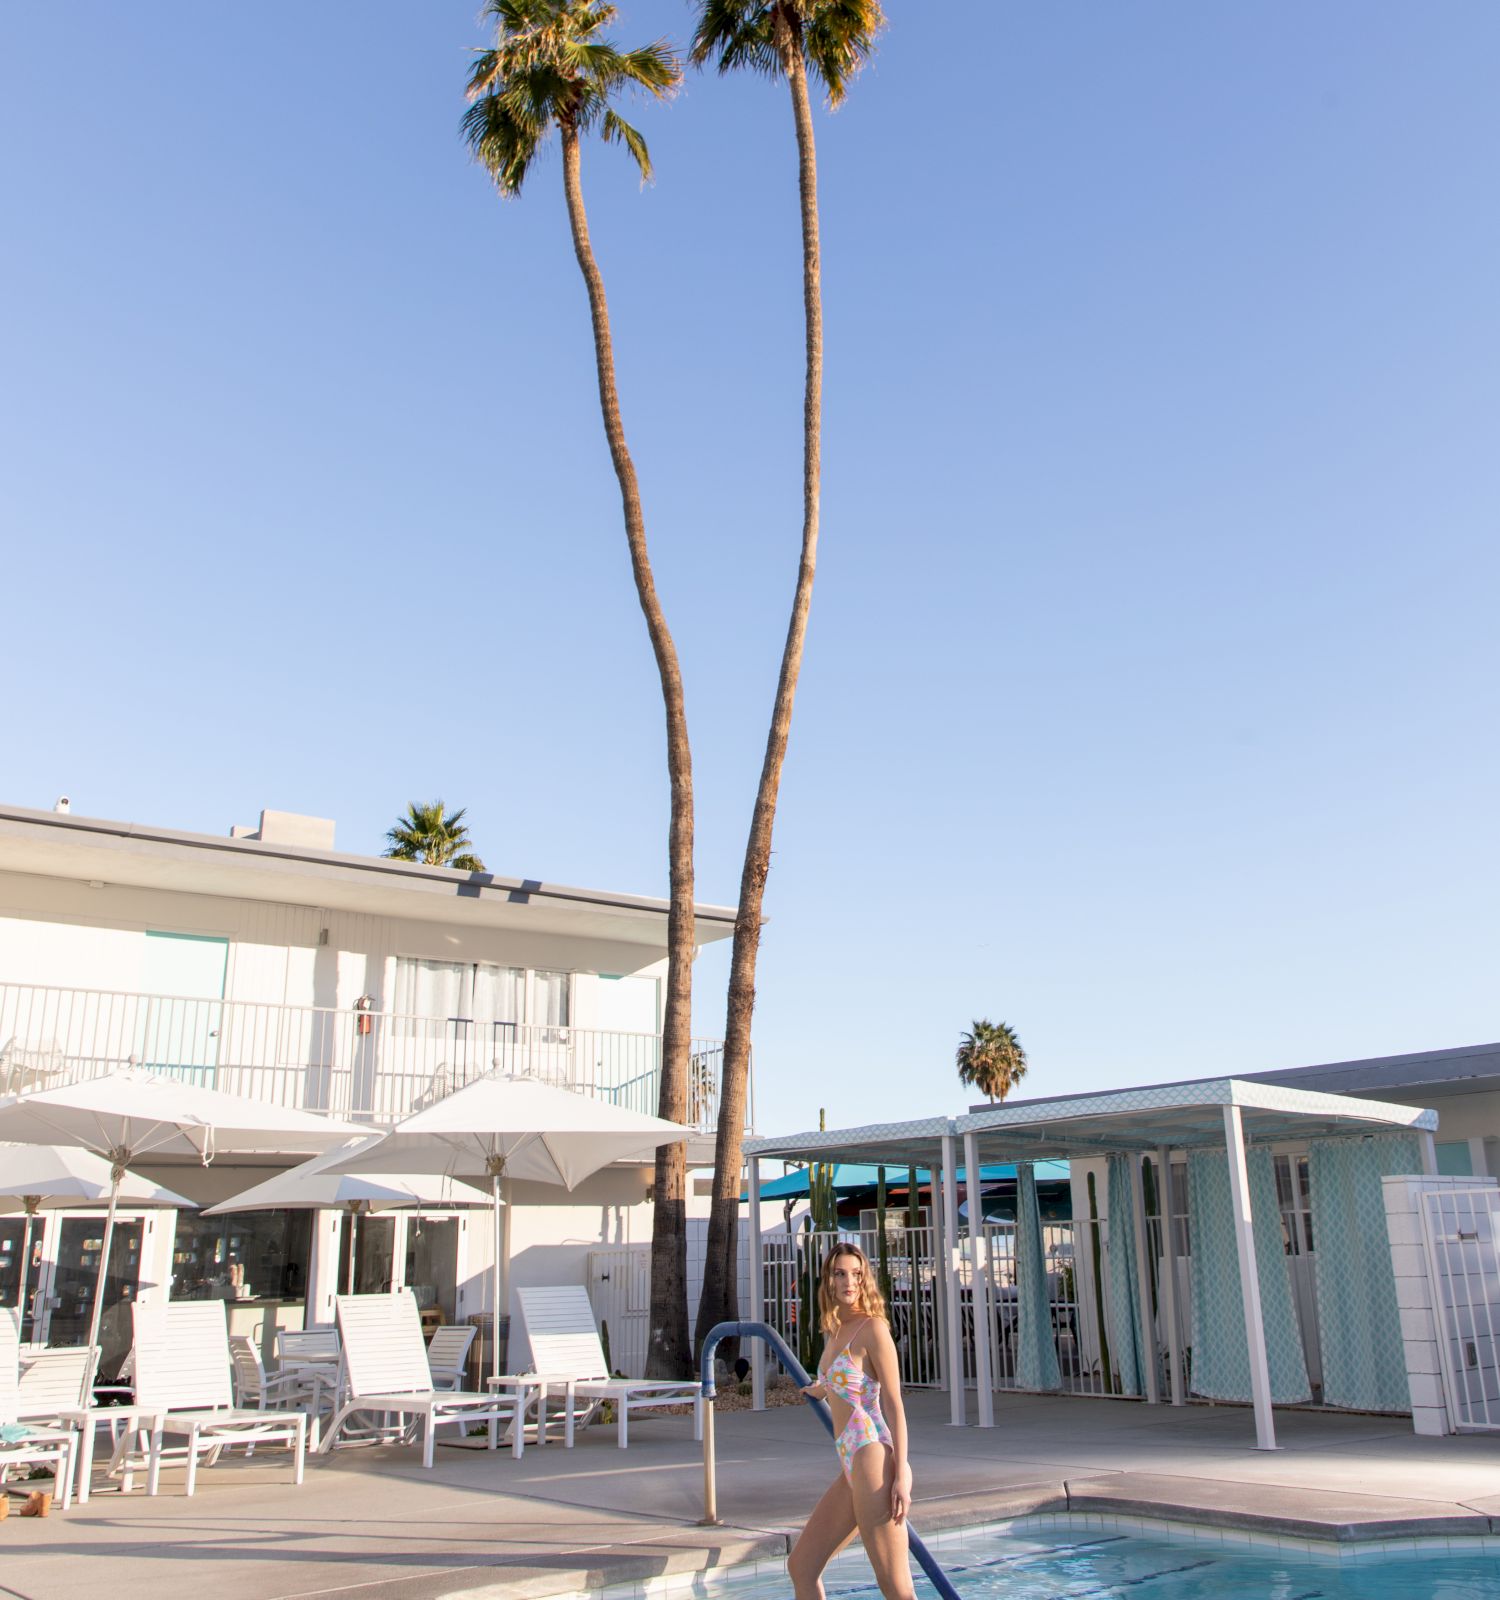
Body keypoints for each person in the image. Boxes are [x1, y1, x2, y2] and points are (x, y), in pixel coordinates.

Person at [790, 1242, 917, 1600]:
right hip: (851, 1462)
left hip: (872, 1455)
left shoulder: (873, 1329)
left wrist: (901, 1475)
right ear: (828, 1280)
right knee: (801, 1567)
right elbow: (842, 1381)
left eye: (857, 1275)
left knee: (896, 1588)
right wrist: (820, 1388)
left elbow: (894, 1404)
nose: (849, 1282)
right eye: (840, 1273)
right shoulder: (835, 1331)